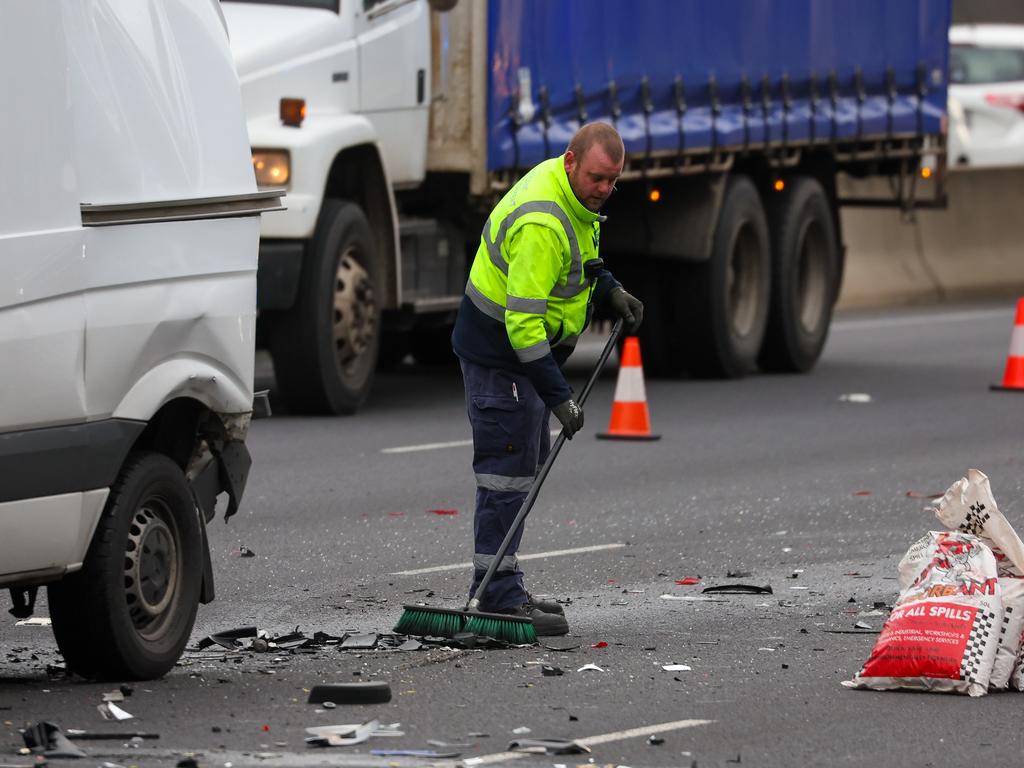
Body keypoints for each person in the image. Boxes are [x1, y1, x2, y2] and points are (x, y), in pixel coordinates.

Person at [451, 122, 644, 636]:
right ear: (570, 162)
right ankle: (495, 596)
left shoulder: (576, 203)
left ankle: (500, 584)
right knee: (505, 473)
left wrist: (611, 291)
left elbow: (581, 263)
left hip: (522, 358)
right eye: (598, 178)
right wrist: (559, 397)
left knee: (522, 470)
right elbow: (522, 324)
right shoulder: (542, 220)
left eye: (613, 181)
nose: (604, 190)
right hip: (501, 356)